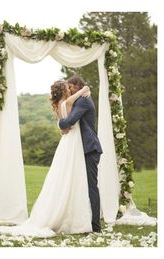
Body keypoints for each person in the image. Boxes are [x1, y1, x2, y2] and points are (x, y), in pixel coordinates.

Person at [0, 80, 93, 237]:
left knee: (64, 175)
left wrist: (61, 126)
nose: (70, 90)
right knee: (73, 174)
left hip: (66, 141)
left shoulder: (58, 105)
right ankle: (73, 217)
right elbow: (72, 107)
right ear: (64, 91)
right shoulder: (66, 102)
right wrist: (84, 89)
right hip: (72, 141)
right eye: (67, 88)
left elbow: (61, 122)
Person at [59, 76, 103, 232]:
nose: (70, 89)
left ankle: (96, 225)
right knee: (83, 185)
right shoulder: (80, 98)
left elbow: (69, 121)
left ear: (78, 85)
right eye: (68, 87)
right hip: (83, 148)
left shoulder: (83, 101)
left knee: (92, 186)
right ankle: (84, 219)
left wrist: (60, 123)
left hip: (90, 148)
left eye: (71, 87)